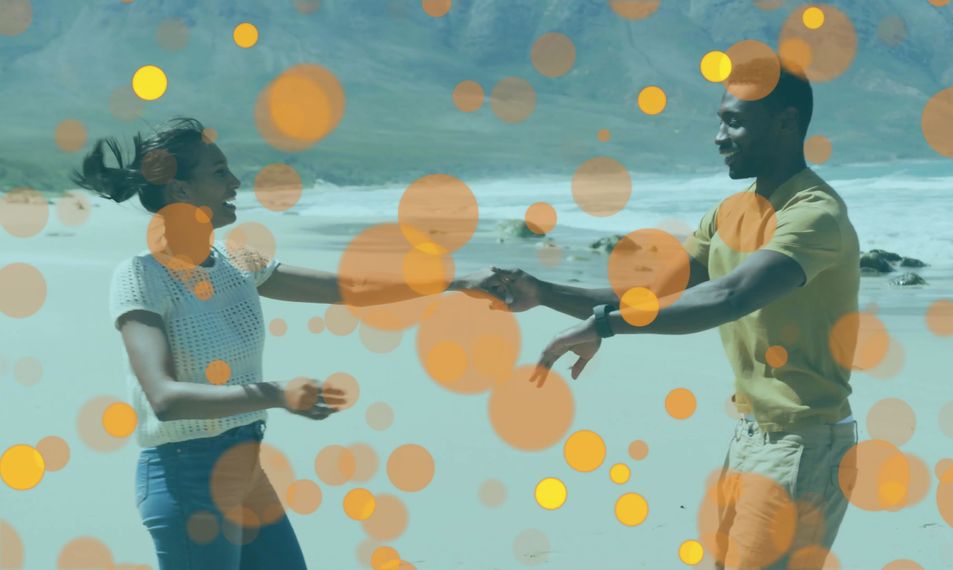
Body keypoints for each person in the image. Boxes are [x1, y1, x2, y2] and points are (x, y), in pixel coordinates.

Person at [477, 68, 861, 569]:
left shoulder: (814, 215)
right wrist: (544, 291)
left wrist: (606, 326)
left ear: (786, 122)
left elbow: (729, 296)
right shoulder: (728, 214)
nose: (720, 137)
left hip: (803, 442)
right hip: (752, 436)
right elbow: (647, 294)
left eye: (734, 123)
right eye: (720, 122)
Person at [72, 117, 488, 569]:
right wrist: (274, 394)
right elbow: (164, 398)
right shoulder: (141, 277)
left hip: (246, 469)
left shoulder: (236, 258)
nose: (234, 182)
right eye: (218, 172)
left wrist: (458, 281)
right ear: (180, 192)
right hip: (186, 478)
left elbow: (351, 287)